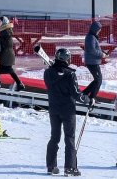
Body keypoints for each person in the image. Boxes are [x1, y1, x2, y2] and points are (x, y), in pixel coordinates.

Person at [45, 48, 84, 176]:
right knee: (69, 138)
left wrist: (55, 70)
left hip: (54, 109)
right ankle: (70, 167)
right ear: (67, 59)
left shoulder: (48, 73)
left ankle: (51, 166)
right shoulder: (70, 74)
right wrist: (89, 100)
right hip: (68, 110)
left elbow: (51, 81)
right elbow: (76, 93)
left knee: (54, 137)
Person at [0, 16, 24, 91]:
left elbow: (4, 43)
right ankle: (19, 83)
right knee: (5, 69)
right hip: (8, 53)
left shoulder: (4, 31)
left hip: (6, 54)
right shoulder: (6, 30)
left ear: (3, 22)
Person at [81, 21, 106, 104]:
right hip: (92, 62)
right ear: (95, 29)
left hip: (93, 61)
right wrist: (101, 54)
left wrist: (103, 52)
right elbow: (92, 50)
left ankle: (84, 94)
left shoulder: (92, 37)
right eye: (99, 30)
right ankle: (91, 97)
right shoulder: (91, 37)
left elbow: (95, 48)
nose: (99, 31)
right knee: (98, 80)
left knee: (97, 80)